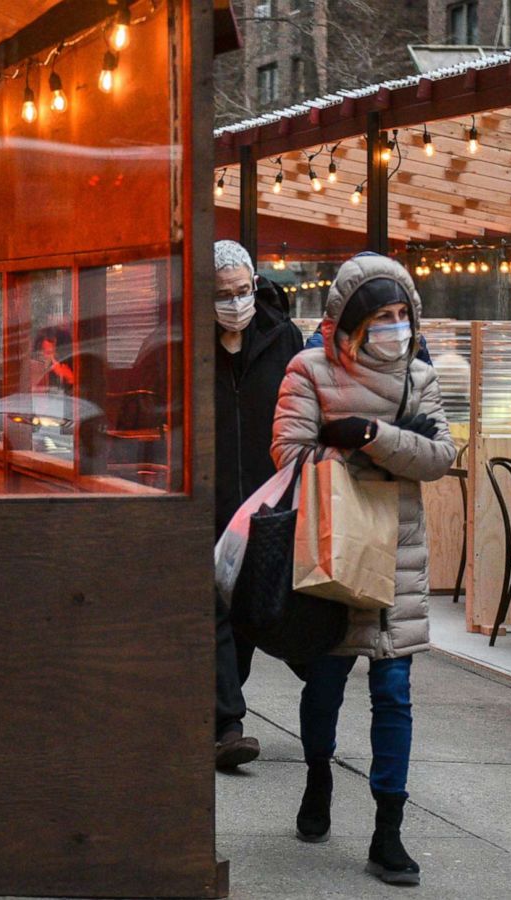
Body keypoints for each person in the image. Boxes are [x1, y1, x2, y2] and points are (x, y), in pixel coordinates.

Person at [269, 252, 456, 886]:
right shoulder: (308, 369)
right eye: (382, 316)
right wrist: (356, 444)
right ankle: (318, 775)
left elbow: (439, 457)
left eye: (404, 315)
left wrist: (371, 435)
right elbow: (289, 454)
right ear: (352, 319)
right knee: (323, 685)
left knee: (394, 694)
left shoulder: (419, 377)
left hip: (397, 557)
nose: (396, 327)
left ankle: (388, 832)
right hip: (331, 550)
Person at [213, 239, 305, 770]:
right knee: (217, 608)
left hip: (269, 502)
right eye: (223, 294)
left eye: (241, 290)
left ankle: (222, 712)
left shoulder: (281, 336)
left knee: (256, 609)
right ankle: (228, 723)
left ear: (254, 284)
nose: (235, 302)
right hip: (211, 500)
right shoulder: (186, 345)